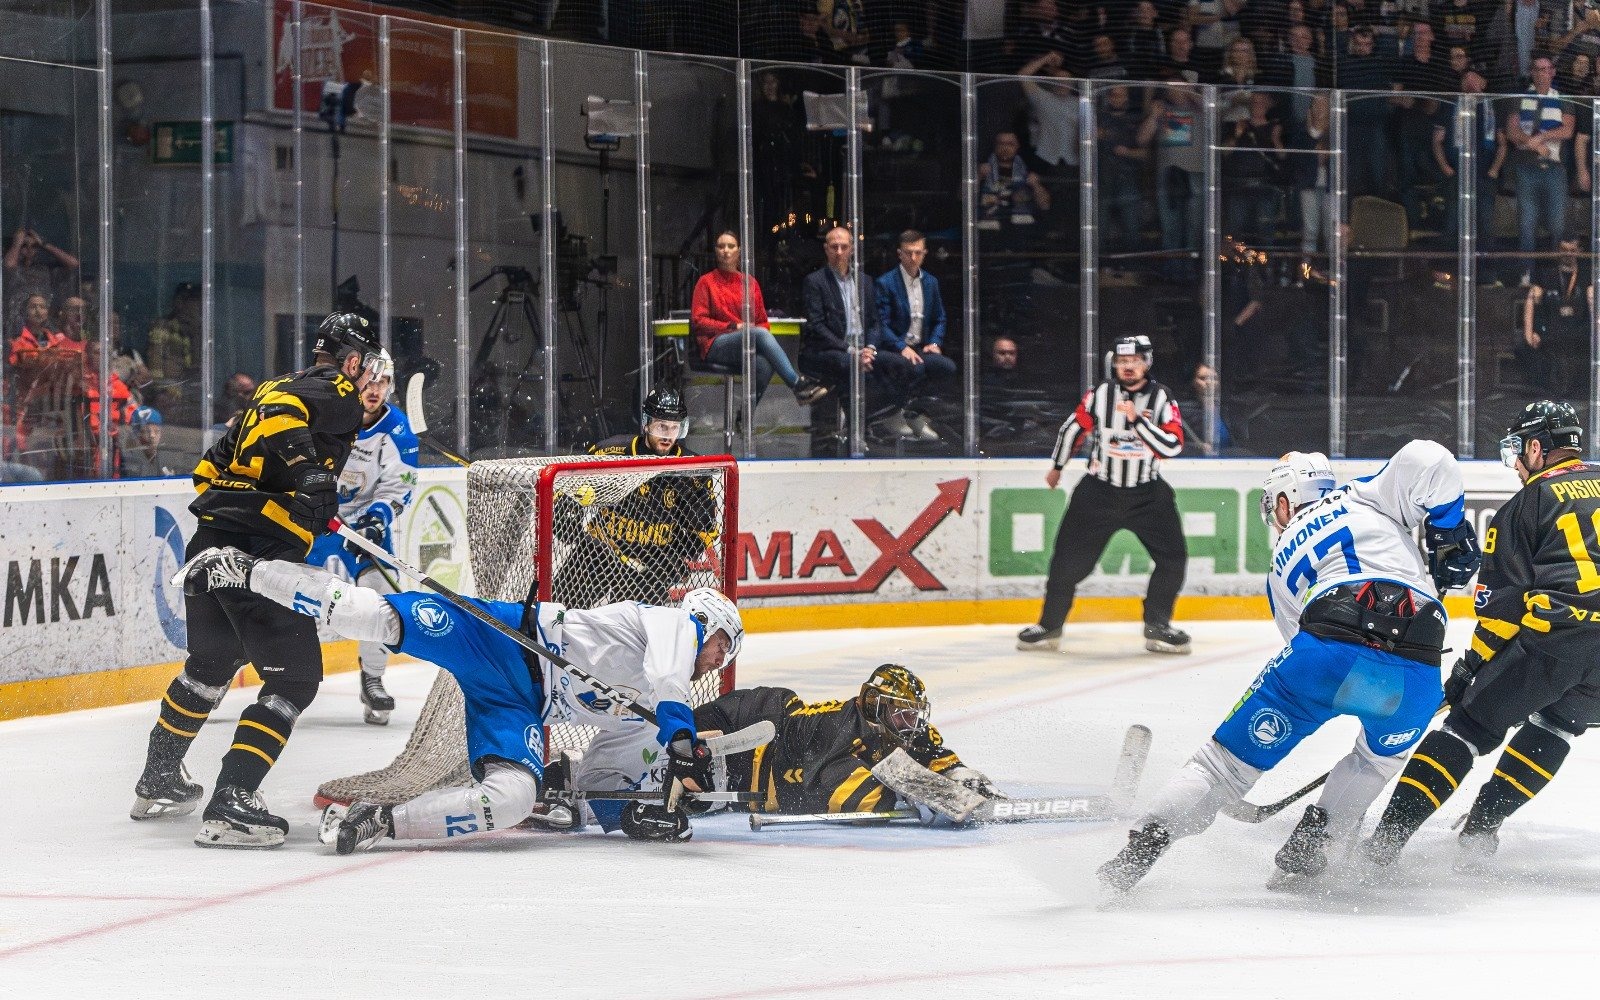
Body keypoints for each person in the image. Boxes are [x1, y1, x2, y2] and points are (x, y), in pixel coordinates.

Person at [1099, 442, 1480, 893]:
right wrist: (1449, 532)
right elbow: (1429, 456)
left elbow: (1307, 652)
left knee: (1222, 768)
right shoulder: (1363, 497)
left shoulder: (1280, 567)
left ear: (1285, 501)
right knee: (1376, 760)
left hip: (1323, 651)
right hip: (1416, 663)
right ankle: (1312, 846)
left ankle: (1141, 849)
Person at [178, 548, 741, 850]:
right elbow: (672, 685)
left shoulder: (653, 713)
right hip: (499, 636)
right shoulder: (669, 625)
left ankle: (380, 822)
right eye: (722, 643)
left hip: (517, 709)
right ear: (703, 619)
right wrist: (684, 739)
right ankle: (244, 570)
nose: (720, 659)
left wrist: (637, 815)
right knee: (371, 617)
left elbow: (601, 781)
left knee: (515, 799)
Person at [128, 312, 385, 848]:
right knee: (295, 679)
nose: (366, 385)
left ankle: (159, 778)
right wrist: (304, 474)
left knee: (211, 665)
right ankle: (233, 801)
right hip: (257, 556)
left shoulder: (273, 388)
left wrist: (282, 493)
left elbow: (208, 469)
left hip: (210, 540)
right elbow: (285, 424)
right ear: (353, 361)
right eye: (366, 370)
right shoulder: (333, 388)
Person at [1365, 401, 1600, 869]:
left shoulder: (1525, 505)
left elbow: (1502, 615)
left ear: (1538, 447)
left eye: (1517, 451)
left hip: (1556, 641)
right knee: (1558, 723)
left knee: (1467, 727)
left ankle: (1381, 847)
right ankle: (1480, 830)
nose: (1515, 464)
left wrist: (1470, 669)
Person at [1018, 335, 1192, 655]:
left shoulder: (1162, 398)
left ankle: (1157, 624)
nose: (1127, 367)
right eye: (1121, 362)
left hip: (1148, 494)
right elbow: (1073, 427)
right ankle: (1050, 624)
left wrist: (1136, 420)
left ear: (1147, 363)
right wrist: (1057, 465)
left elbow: (1173, 445)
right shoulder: (1100, 393)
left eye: (1134, 361)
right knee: (1066, 563)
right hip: (1098, 493)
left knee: (1174, 559)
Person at [693, 664, 998, 815]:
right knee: (678, 742)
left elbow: (937, 755)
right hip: (749, 724)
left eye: (915, 714)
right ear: (875, 705)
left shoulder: (902, 727)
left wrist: (960, 775)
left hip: (763, 756)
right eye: (902, 713)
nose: (911, 723)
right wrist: (914, 795)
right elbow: (844, 797)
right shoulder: (838, 727)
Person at [304, 353, 418, 725]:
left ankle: (373, 679)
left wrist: (374, 521)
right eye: (369, 381)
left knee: (380, 599)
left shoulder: (398, 430)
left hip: (365, 526)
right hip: (320, 518)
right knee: (281, 587)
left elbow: (398, 488)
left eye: (382, 383)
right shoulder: (333, 415)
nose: (374, 390)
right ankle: (235, 662)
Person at [552, 387, 723, 608]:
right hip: (598, 553)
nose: (667, 436)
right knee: (555, 614)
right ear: (646, 423)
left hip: (650, 566)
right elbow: (568, 486)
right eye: (661, 426)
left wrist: (674, 558)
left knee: (632, 635)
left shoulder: (693, 470)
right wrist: (567, 513)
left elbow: (702, 529)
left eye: (674, 428)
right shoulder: (610, 453)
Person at [801, 226, 921, 440]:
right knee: (849, 365)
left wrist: (871, 349)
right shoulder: (815, 281)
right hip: (830, 349)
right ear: (826, 249)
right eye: (834, 247)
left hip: (863, 349)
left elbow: (875, 323)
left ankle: (883, 416)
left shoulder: (865, 282)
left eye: (844, 247)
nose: (839, 252)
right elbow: (816, 326)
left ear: (852, 249)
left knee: (902, 365)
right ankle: (858, 426)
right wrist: (851, 351)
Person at [689, 230, 828, 407]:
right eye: (721, 246)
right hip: (714, 344)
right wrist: (733, 326)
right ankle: (797, 385)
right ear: (716, 251)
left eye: (731, 246)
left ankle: (744, 416)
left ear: (739, 251)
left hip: (745, 343)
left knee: (764, 365)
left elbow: (762, 320)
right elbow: (698, 321)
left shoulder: (750, 283)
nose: (726, 250)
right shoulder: (706, 282)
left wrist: (755, 339)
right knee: (759, 334)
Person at [875, 229, 954, 440]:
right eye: (909, 252)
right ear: (899, 253)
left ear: (925, 253)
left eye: (918, 252)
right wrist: (901, 347)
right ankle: (894, 413)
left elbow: (940, 317)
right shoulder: (886, 282)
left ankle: (916, 412)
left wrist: (935, 342)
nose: (913, 258)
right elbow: (881, 324)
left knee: (946, 367)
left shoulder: (931, 282)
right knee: (914, 367)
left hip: (921, 345)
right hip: (895, 346)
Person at [1506, 53, 1575, 286]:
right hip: (1527, 167)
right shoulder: (1521, 97)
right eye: (1537, 69)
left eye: (1546, 69)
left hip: (1554, 168)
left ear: (1553, 72)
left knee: (1558, 221)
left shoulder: (1562, 98)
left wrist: (1541, 138)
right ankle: (1526, 274)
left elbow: (1568, 130)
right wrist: (1532, 144)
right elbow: (1512, 131)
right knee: (1527, 222)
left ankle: (1559, 273)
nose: (1542, 74)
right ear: (1532, 72)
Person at [1515, 238, 1590, 396]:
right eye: (1564, 250)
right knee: (1525, 345)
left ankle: (1578, 394)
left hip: (1578, 330)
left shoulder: (1587, 274)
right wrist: (1530, 332)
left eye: (1572, 250)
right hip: (1552, 329)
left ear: (1579, 252)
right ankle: (1542, 393)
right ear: (1558, 251)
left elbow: (1593, 303)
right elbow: (1531, 299)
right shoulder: (1546, 274)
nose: (1568, 254)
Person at [3, 226, 79, 308]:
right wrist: (17, 243)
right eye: (24, 246)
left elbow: (73, 264)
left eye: (34, 246)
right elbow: (8, 266)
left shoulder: (44, 270)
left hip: (41, 316)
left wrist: (44, 244)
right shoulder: (14, 269)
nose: (29, 249)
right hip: (15, 317)